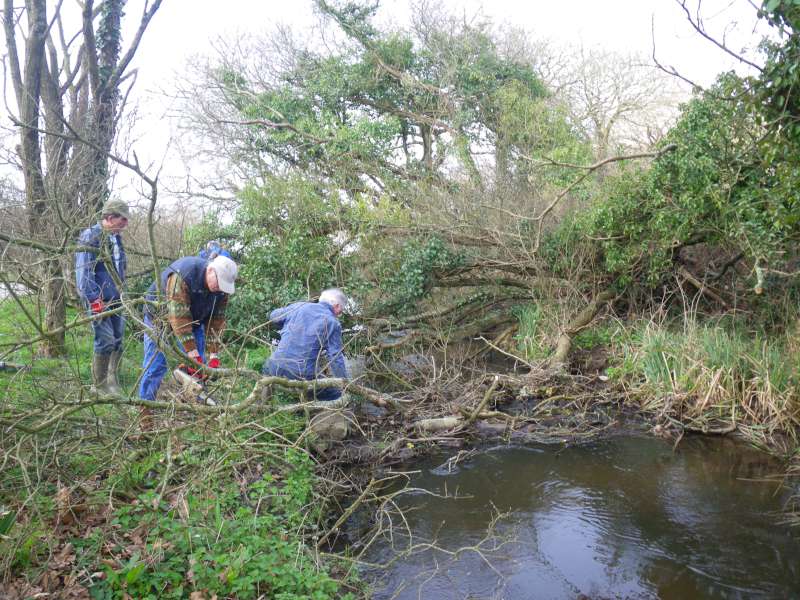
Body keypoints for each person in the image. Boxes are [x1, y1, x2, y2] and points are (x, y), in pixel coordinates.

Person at [139, 254, 238, 402]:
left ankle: (194, 401)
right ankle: (145, 406)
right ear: (211, 270)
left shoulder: (222, 291)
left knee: (198, 369)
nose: (219, 288)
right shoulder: (184, 274)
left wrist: (214, 355)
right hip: (159, 319)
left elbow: (216, 321)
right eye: (218, 283)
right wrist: (192, 352)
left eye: (223, 286)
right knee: (156, 366)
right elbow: (179, 318)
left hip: (194, 319)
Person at [75, 199, 130, 394]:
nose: (125, 223)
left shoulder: (115, 238)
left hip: (117, 299)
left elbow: (120, 268)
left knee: (118, 339)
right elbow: (84, 274)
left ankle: (112, 381)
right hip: (100, 300)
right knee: (105, 340)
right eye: (122, 219)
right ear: (109, 217)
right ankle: (99, 387)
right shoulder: (91, 237)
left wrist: (123, 291)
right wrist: (94, 300)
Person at [262, 288, 350, 401]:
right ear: (337, 306)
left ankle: (261, 408)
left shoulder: (299, 306)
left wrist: (290, 327)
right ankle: (312, 411)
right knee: (335, 393)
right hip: (299, 374)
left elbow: (273, 316)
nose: (338, 314)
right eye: (341, 311)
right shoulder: (332, 322)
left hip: (274, 366)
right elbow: (336, 358)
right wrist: (345, 384)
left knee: (268, 367)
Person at [194, 241, 232, 353]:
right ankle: (196, 362)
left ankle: (198, 362)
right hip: (203, 297)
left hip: (206, 297)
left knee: (199, 329)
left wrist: (213, 353)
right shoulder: (224, 254)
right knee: (195, 336)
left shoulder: (204, 254)